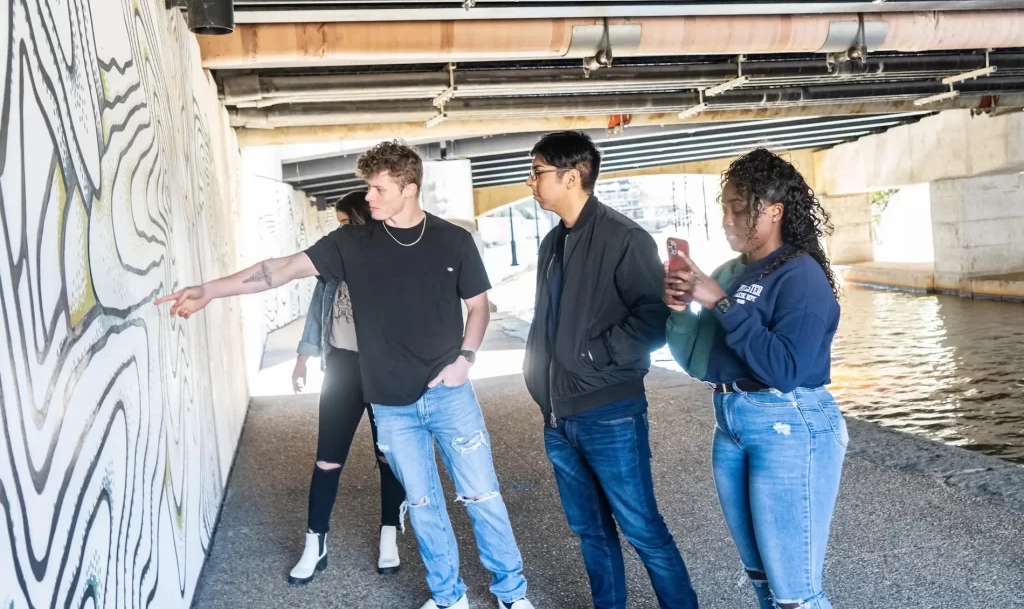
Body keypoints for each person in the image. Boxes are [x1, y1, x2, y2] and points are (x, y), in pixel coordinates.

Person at [156, 141, 536, 609]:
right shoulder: (352, 243)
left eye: (377, 188)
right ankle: (448, 597)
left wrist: (466, 360)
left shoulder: (452, 240)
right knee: (422, 506)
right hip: (391, 404)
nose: (368, 197)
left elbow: (478, 307)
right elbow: (280, 270)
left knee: (482, 496)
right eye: (367, 187)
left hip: (449, 394)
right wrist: (210, 290)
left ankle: (512, 594)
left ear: (409, 189)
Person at [663, 148, 847, 609]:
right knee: (763, 581)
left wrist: (722, 303)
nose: (728, 218)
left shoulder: (799, 275)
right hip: (732, 424)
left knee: (795, 595)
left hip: (788, 423)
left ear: (775, 210)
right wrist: (681, 307)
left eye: (740, 208)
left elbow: (784, 370)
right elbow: (698, 360)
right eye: (725, 206)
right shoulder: (733, 271)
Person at [522, 131, 699, 609]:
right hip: (558, 416)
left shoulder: (625, 238)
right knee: (590, 532)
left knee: (642, 528)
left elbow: (654, 318)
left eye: (537, 172)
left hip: (609, 412)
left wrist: (590, 358)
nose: (529, 182)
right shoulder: (553, 243)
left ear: (572, 175)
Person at [288, 191, 406, 584]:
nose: (337, 232)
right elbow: (315, 313)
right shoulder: (333, 267)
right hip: (341, 367)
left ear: (360, 222)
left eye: (343, 223)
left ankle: (389, 533)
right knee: (327, 459)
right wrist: (305, 356)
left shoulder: (391, 264)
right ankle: (315, 542)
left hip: (384, 371)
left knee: (387, 455)